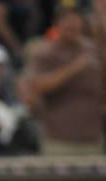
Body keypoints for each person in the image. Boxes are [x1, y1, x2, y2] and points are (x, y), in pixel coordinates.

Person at [26, 5, 103, 155]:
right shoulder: (45, 52)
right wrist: (74, 67)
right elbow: (39, 86)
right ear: (57, 24)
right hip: (59, 142)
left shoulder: (92, 50)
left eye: (75, 20)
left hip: (93, 139)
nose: (72, 24)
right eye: (66, 20)